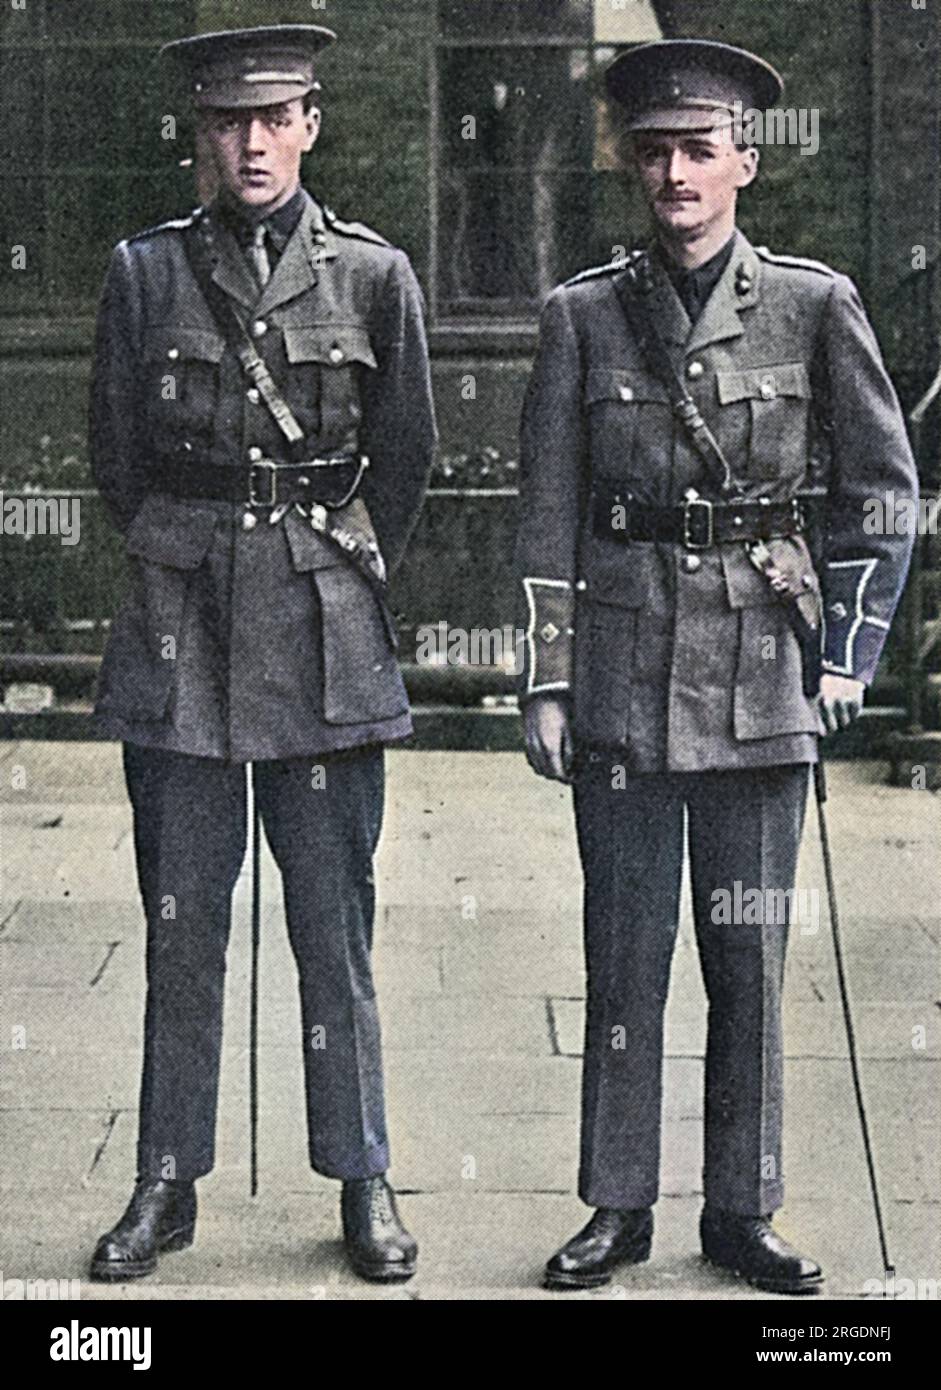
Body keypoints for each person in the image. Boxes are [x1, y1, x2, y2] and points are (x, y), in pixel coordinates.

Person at [515, 39, 918, 1294]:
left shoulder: (811, 305)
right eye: (653, 152)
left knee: (746, 957)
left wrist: (845, 654)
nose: (674, 173)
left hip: (760, 680)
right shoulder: (582, 314)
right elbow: (548, 507)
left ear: (744, 162)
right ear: (631, 165)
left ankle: (740, 1211)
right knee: (622, 954)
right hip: (625, 683)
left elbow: (883, 494)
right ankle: (615, 1206)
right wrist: (546, 676)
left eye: (699, 150)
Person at [87, 25, 436, 1284]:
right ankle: (164, 1180)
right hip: (182, 639)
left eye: (274, 116)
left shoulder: (376, 278)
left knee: (332, 921)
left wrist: (326, 566)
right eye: (227, 122)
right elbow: (117, 462)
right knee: (180, 921)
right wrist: (194, 550)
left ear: (310, 125)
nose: (249, 143)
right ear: (198, 136)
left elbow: (403, 462)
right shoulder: (143, 276)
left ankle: (362, 1176)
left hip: (325, 638)